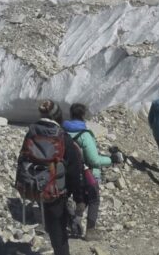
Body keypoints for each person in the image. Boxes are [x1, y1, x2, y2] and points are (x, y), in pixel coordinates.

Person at [17, 100, 83, 255]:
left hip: (36, 186)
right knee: (59, 228)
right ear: (58, 115)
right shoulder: (62, 136)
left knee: (52, 225)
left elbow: (23, 158)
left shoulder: (32, 132)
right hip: (56, 190)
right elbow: (74, 170)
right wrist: (78, 197)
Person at [63, 103, 121, 240]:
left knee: (78, 198)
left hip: (68, 174)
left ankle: (74, 221)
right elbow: (94, 160)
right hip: (86, 173)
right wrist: (111, 160)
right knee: (94, 199)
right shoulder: (85, 135)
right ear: (83, 116)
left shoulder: (62, 133)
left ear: (71, 115)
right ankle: (90, 231)